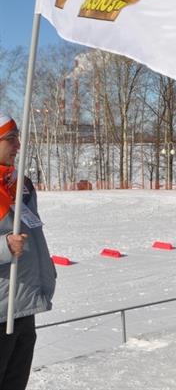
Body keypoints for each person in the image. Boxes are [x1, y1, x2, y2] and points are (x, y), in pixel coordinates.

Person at [0, 114, 56, 390]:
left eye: (17, 138)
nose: (17, 145)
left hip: (23, 304)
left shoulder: (21, 185)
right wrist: (4, 247)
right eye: (10, 139)